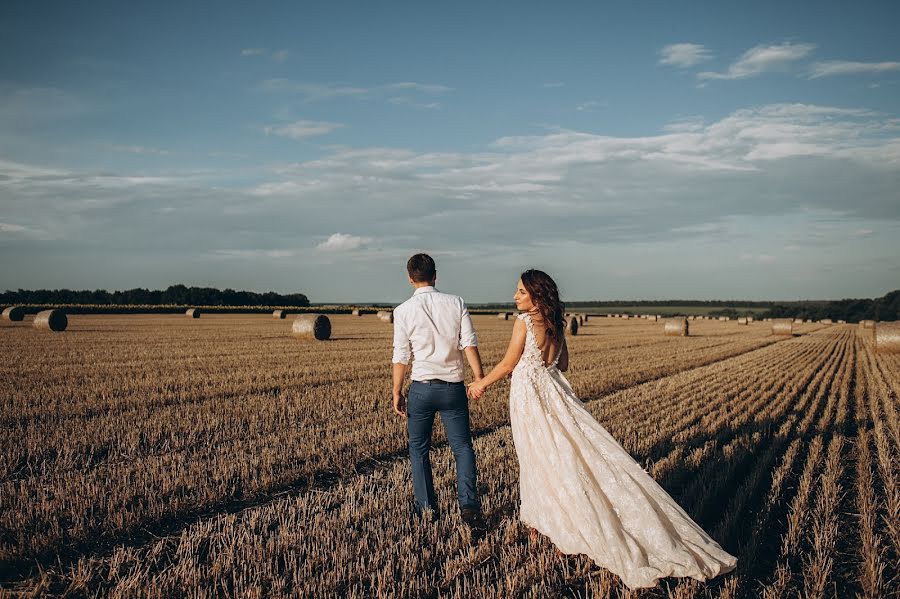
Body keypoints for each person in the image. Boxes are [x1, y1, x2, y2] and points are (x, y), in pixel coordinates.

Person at [466, 269, 737, 590]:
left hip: (529, 397)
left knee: (537, 455)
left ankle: (548, 520)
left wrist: (481, 383)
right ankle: (545, 517)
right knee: (561, 453)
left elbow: (508, 364)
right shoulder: (556, 323)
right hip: (552, 391)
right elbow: (561, 365)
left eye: (521, 292)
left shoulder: (523, 323)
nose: (515, 297)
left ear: (536, 296)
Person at [391, 253, 486, 529]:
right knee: (463, 448)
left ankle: (426, 508)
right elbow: (469, 343)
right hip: (452, 388)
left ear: (410, 278)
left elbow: (401, 356)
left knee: (419, 450)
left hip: (421, 389)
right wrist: (479, 377)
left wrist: (397, 391)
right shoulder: (456, 303)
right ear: (436, 275)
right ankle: (468, 505)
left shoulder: (402, 311)